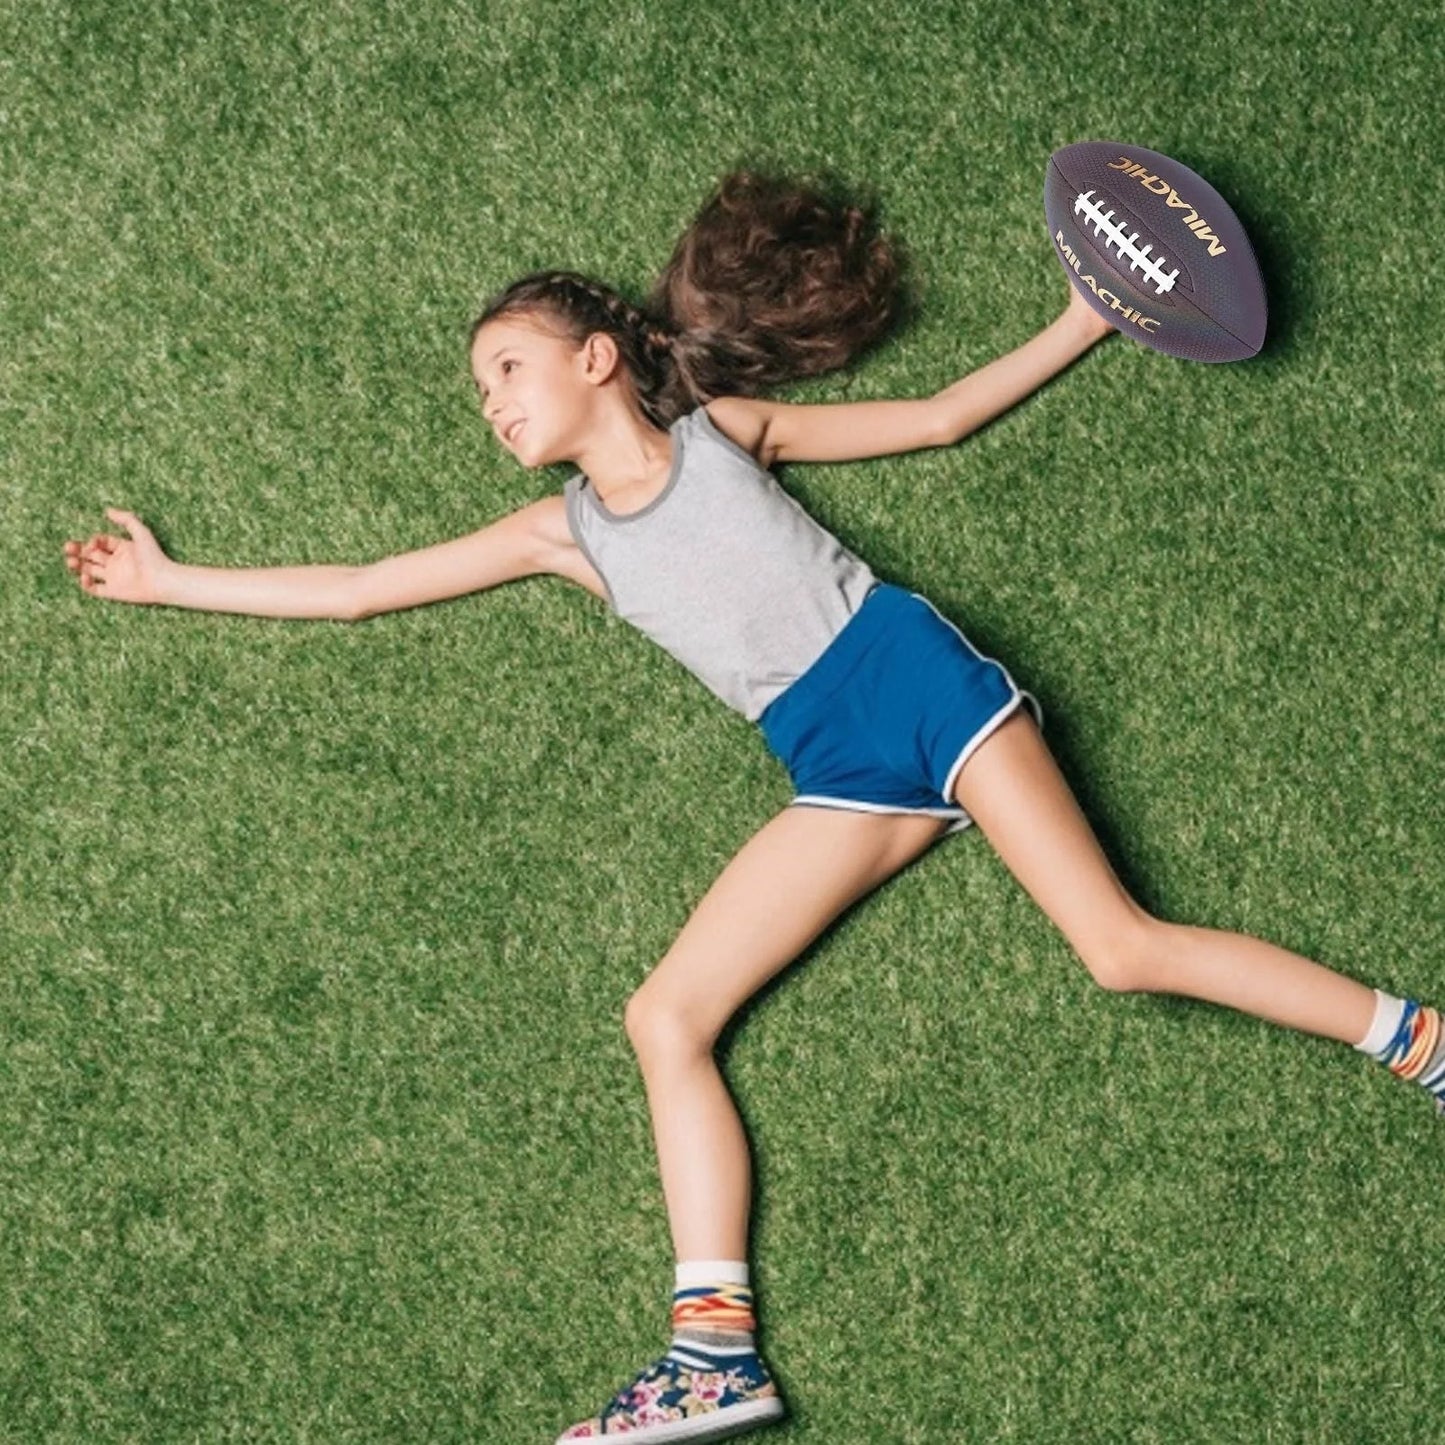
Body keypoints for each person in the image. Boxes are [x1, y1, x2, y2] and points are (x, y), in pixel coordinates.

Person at [63, 168, 1445, 1444]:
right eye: (479, 389)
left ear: (596, 358)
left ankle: (1420, 1039)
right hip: (833, 764)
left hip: (915, 687)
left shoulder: (722, 433)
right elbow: (362, 588)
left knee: (1121, 950)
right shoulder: (562, 536)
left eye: (506, 368)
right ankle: (712, 1350)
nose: (489, 401)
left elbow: (940, 416)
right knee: (663, 1016)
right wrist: (174, 583)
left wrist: (1086, 316)